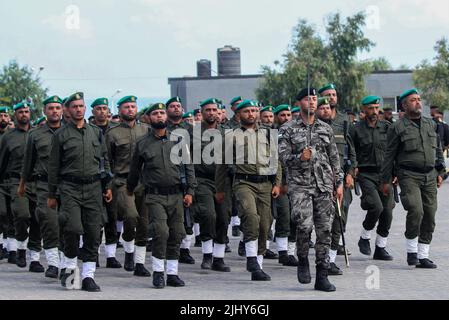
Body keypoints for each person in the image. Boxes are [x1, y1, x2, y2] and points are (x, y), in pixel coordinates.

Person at [278, 87, 343, 292]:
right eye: (308, 99)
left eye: (315, 99)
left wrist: (338, 182)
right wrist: (300, 157)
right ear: (300, 103)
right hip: (300, 186)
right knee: (304, 226)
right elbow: (282, 157)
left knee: (324, 230)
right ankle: (303, 258)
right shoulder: (287, 129)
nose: (313, 102)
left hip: (324, 185)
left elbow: (334, 158)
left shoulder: (326, 128)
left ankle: (322, 275)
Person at [48, 92, 113, 292]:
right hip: (70, 188)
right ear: (68, 110)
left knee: (94, 232)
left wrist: (107, 186)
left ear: (85, 109)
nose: (78, 109)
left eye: (81, 106)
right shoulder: (61, 134)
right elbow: (53, 166)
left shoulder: (95, 132)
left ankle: (88, 276)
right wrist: (52, 194)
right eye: (74, 106)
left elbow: (104, 159)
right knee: (72, 229)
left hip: (94, 188)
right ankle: (69, 269)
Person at [127, 103, 197, 288]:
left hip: (177, 195)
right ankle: (158, 272)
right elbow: (134, 170)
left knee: (177, 233)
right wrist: (130, 189)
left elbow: (188, 167)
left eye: (161, 113)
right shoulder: (143, 144)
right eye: (155, 114)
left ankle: (172, 273)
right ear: (149, 118)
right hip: (155, 196)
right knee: (160, 232)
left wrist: (190, 191)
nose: (159, 116)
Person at [216, 99, 281, 281]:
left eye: (254, 111)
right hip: (244, 183)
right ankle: (251, 258)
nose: (251, 114)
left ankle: (257, 267)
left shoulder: (269, 134)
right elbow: (222, 165)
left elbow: (277, 161)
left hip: (266, 184)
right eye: (247, 111)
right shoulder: (231, 136)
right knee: (251, 217)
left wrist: (277, 183)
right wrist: (220, 189)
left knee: (264, 225)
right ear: (239, 114)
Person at [381, 89, 445, 269]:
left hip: (430, 175)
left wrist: (441, 171)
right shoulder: (397, 127)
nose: (418, 103)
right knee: (416, 210)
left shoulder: (430, 124)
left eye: (418, 99)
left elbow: (437, 149)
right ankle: (411, 251)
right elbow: (389, 155)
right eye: (413, 100)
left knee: (430, 214)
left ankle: (423, 255)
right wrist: (385, 180)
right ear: (404, 105)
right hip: (408, 175)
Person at [105, 95, 151, 276]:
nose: (130, 110)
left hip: (144, 181)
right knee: (131, 217)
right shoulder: (112, 133)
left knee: (144, 223)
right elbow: (106, 161)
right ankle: (129, 250)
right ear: (119, 111)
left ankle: (139, 263)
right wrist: (108, 185)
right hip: (122, 182)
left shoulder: (146, 130)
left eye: (133, 106)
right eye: (126, 107)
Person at [19, 96, 63, 278]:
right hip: (44, 185)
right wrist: (22, 185)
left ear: (62, 111)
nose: (54, 111)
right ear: (44, 111)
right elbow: (28, 163)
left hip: (67, 185)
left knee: (68, 225)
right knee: (49, 221)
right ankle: (53, 263)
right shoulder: (35, 135)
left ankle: (65, 262)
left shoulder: (70, 132)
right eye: (50, 108)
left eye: (57, 108)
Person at [0, 102, 43, 272]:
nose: (24, 114)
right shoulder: (8, 137)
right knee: (22, 215)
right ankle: (20, 248)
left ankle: (34, 259)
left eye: (26, 111)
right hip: (16, 183)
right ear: (15, 115)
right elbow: (2, 162)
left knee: (38, 219)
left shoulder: (39, 134)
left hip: (38, 183)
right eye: (20, 112)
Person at [316, 94, 356, 276]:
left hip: (340, 181)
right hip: (319, 183)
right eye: (322, 108)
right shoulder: (311, 129)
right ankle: (321, 259)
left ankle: (331, 260)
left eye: (328, 108)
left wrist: (349, 173)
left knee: (340, 220)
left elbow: (351, 153)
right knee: (323, 223)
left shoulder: (342, 126)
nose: (326, 110)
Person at [353, 96, 394, 261]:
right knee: (376, 207)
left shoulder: (387, 127)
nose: (375, 112)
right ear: (363, 109)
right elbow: (352, 151)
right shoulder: (356, 129)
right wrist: (352, 169)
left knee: (388, 212)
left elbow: (394, 151)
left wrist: (395, 173)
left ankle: (380, 247)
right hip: (366, 174)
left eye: (377, 108)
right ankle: (364, 236)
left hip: (385, 175)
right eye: (371, 108)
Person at [192, 98, 231, 272]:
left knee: (223, 218)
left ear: (218, 112)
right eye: (207, 110)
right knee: (208, 215)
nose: (211, 113)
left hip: (223, 182)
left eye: (214, 110)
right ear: (201, 113)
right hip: (202, 180)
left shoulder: (227, 133)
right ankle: (207, 255)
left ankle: (219, 258)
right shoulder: (191, 133)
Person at [91, 97, 120, 268]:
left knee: (112, 218)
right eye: (99, 108)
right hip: (94, 179)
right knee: (95, 219)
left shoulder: (116, 130)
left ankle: (111, 256)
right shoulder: (90, 130)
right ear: (93, 112)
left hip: (113, 178)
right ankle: (93, 253)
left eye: (104, 108)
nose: (102, 111)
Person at [272, 104, 299, 266]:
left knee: (295, 217)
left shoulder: (297, 133)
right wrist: (279, 182)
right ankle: (282, 252)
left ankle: (290, 251)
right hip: (280, 182)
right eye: (282, 115)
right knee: (284, 215)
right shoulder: (271, 135)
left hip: (296, 181)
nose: (286, 118)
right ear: (276, 117)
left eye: (289, 115)